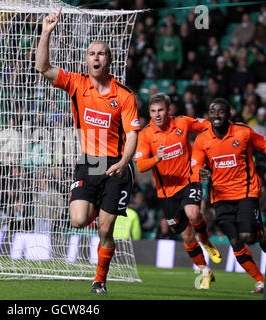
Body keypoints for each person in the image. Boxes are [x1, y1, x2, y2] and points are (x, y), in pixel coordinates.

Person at [35, 8, 140, 294]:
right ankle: (99, 207)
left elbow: (133, 135)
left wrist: (124, 162)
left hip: (116, 165)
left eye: (101, 53)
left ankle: (99, 280)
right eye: (92, 53)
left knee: (105, 230)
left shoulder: (124, 95)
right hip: (89, 162)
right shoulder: (77, 83)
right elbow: (43, 68)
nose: (96, 57)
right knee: (79, 220)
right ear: (86, 59)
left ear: (109, 60)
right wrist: (47, 32)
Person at [134, 93, 222, 290]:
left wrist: (209, 146)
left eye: (161, 110)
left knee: (193, 212)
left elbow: (207, 125)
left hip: (189, 180)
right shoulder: (145, 135)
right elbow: (140, 166)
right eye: (153, 111)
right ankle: (205, 271)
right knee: (187, 237)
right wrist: (156, 158)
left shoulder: (182, 123)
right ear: (149, 112)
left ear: (169, 110)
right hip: (166, 193)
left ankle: (207, 241)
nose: (157, 115)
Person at [191, 98, 266, 294]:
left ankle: (261, 235)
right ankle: (260, 280)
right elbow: (195, 166)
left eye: (221, 112)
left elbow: (264, 145)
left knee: (248, 236)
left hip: (246, 192)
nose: (216, 115)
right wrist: (199, 172)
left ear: (229, 114)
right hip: (220, 198)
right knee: (235, 241)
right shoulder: (202, 139)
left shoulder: (243, 132)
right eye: (212, 111)